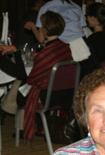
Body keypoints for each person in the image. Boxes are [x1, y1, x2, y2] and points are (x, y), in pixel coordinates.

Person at [22, 11, 72, 142]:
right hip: (67, 94)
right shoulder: (65, 48)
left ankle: (23, 130)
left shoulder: (45, 53)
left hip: (49, 97)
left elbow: (32, 79)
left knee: (20, 95)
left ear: (44, 30)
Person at [25, 0, 98, 80]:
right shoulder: (75, 6)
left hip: (62, 49)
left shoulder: (46, 8)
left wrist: (32, 26)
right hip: (83, 46)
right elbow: (83, 29)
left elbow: (41, 39)